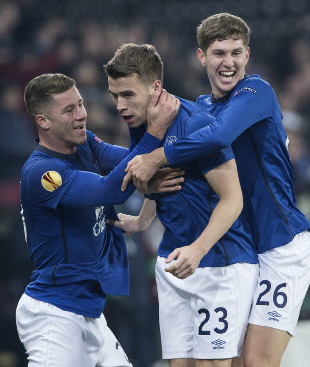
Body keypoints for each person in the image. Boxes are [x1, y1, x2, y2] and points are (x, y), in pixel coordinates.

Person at [120, 14, 310, 367]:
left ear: (247, 55)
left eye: (236, 52)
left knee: (256, 363)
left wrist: (158, 155)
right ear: (201, 57)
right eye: (218, 53)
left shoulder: (257, 92)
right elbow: (177, 176)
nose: (228, 62)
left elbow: (218, 136)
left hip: (282, 247)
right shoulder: (203, 108)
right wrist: (145, 214)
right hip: (244, 250)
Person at [104, 43, 258, 367]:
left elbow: (233, 199)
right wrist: (145, 219)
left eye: (128, 94)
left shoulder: (195, 124)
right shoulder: (140, 123)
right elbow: (155, 173)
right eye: (114, 95)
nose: (120, 105)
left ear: (155, 87)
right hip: (172, 260)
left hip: (219, 261)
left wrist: (198, 250)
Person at [17, 72, 178, 366]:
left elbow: (133, 159)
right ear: (43, 121)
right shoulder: (42, 173)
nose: (81, 115)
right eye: (69, 110)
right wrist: (154, 133)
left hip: (88, 311)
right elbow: (109, 190)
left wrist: (141, 125)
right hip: (53, 312)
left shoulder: (86, 144)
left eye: (80, 104)